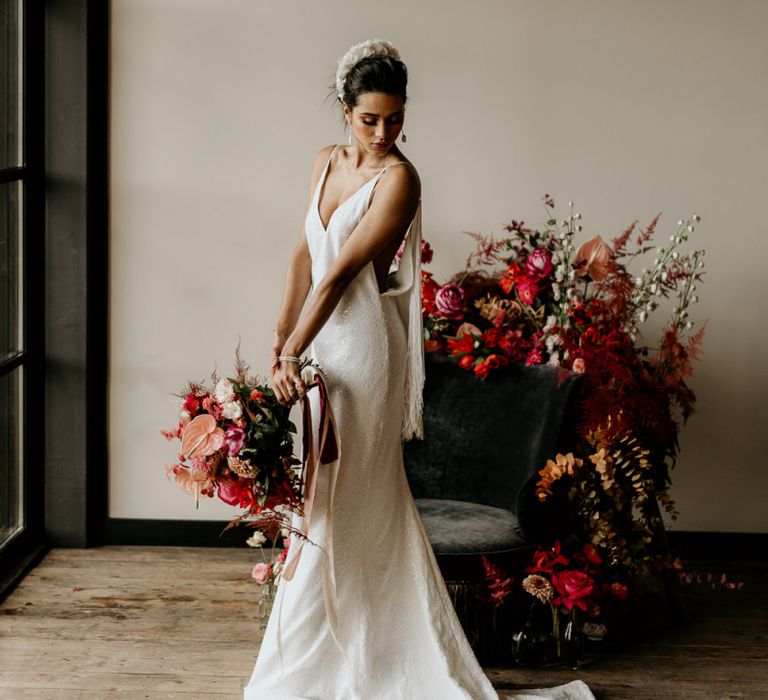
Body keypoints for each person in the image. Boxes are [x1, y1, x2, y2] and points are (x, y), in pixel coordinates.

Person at [243, 39, 595, 700]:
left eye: (394, 119)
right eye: (369, 120)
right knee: (316, 502)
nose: (383, 134)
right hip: (317, 338)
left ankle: (358, 662)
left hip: (360, 350)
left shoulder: (400, 179)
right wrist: (280, 337)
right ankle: (325, 654)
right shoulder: (324, 162)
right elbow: (304, 256)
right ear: (344, 111)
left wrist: (295, 348)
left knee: (343, 503)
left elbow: (344, 271)